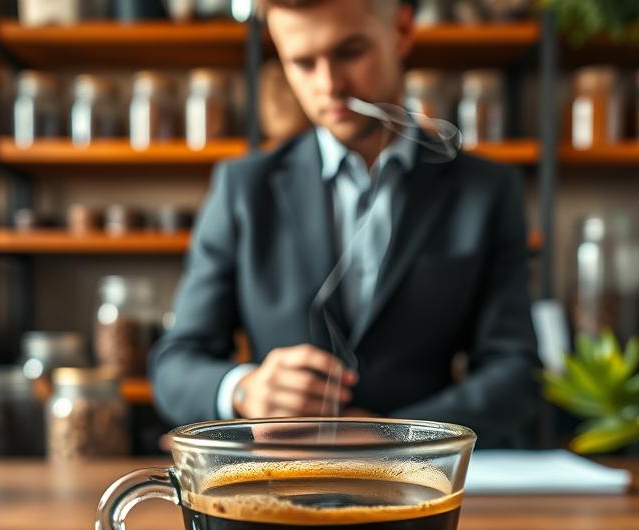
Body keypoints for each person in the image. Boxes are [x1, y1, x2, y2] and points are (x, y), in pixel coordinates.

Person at [152, 0, 539, 447]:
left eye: (350, 52)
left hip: (419, 483)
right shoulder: (243, 188)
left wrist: (392, 436)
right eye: (302, 62)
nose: (330, 85)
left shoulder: (486, 191)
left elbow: (515, 374)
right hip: (280, 486)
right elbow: (175, 364)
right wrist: (244, 389)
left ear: (402, 30)